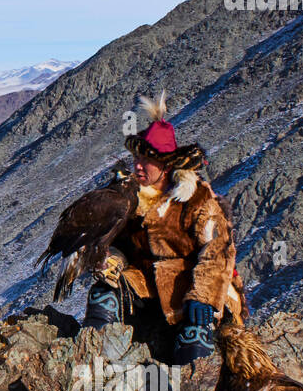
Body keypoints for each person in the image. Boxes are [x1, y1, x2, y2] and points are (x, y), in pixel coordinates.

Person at [81, 92, 246, 364]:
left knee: (196, 333)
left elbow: (218, 252)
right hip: (146, 283)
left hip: (194, 283)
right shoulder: (129, 198)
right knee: (102, 295)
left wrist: (203, 296)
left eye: (146, 160)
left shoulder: (198, 199)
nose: (137, 166)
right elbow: (117, 243)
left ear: (166, 165)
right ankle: (93, 367)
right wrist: (111, 260)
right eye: (135, 158)